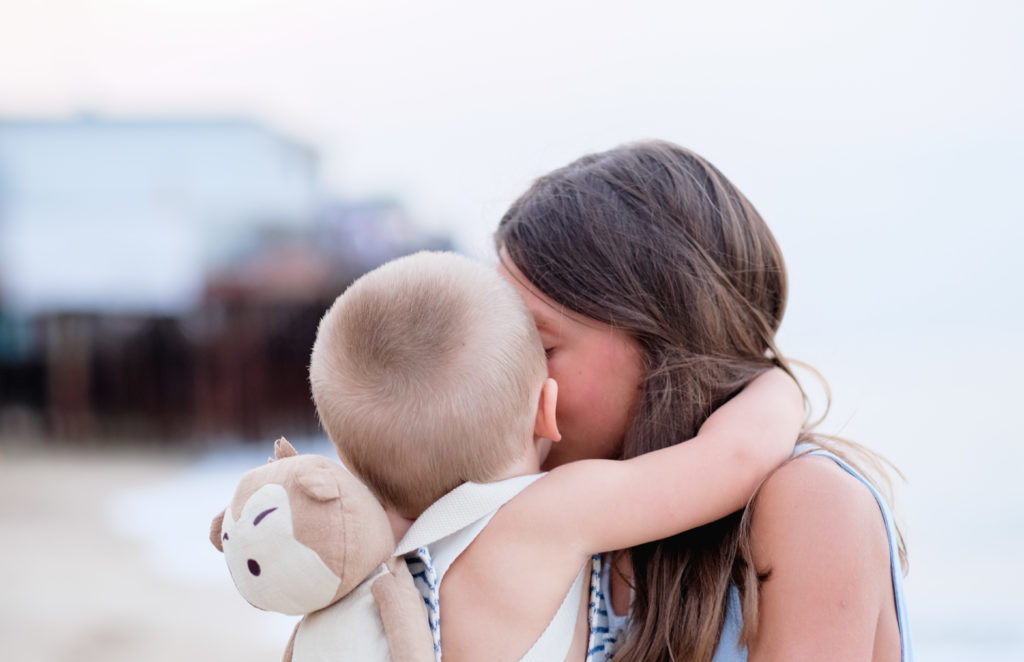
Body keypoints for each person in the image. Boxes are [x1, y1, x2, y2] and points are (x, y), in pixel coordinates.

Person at [494, 139, 913, 661]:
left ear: (663, 342)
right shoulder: (572, 522)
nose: (507, 379)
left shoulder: (811, 504)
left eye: (540, 347)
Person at [308, 250, 804, 662]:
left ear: (348, 460)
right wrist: (775, 378)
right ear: (546, 409)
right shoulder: (549, 515)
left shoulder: (378, 559)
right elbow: (735, 458)